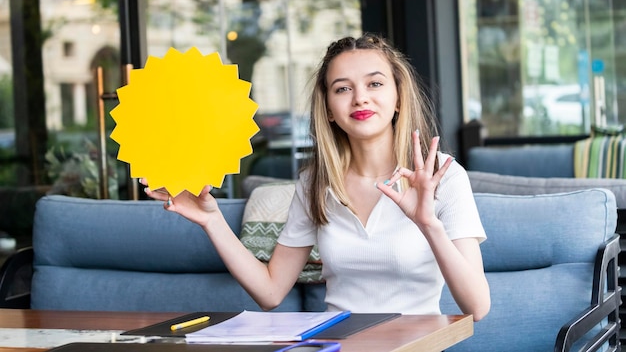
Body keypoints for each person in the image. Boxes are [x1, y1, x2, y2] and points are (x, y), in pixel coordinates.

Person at [143, 33, 490, 321]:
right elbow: (270, 292)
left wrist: (428, 223)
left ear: (398, 97)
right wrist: (211, 218)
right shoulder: (315, 183)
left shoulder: (442, 176)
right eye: (342, 89)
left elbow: (477, 308)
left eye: (375, 83)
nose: (360, 98)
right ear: (328, 108)